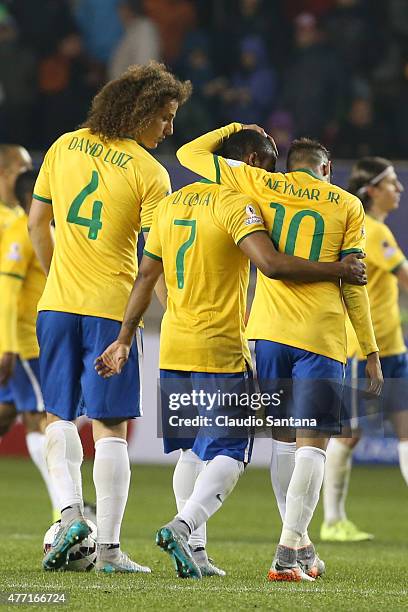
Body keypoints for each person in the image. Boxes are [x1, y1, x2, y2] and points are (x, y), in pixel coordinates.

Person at [95, 128, 367, 579]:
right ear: (254, 162)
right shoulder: (234, 204)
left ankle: (197, 553)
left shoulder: (170, 205)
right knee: (231, 451)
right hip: (219, 345)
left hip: (175, 345)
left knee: (189, 452)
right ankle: (184, 527)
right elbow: (272, 264)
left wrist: (125, 337)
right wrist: (338, 269)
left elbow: (145, 277)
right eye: (269, 164)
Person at [176, 124, 383, 581]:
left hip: (265, 336)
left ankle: (301, 545)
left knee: (285, 442)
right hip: (320, 336)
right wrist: (369, 347)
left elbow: (190, 153)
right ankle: (288, 551)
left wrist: (237, 129)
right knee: (314, 444)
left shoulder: (261, 183)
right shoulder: (347, 204)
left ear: (290, 167)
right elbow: (355, 282)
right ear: (327, 169)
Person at [28, 62, 192, 573]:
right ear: (141, 111)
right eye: (165, 118)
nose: (169, 129)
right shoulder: (149, 173)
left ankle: (71, 513)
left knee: (57, 415)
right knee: (110, 428)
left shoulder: (62, 145)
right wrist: (176, 311)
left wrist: (61, 277)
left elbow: (39, 222)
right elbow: (154, 262)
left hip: (56, 305)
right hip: (111, 312)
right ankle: (110, 549)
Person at [321, 157, 408, 542]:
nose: (399, 189)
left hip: (392, 348)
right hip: (364, 351)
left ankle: (334, 520)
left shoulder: (378, 230)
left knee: (406, 432)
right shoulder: (372, 231)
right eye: (391, 183)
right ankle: (332, 520)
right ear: (371, 190)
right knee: (347, 435)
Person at [0, 170, 61, 521]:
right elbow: (7, 294)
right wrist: (8, 347)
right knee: (40, 418)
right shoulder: (23, 231)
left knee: (7, 415)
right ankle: (62, 508)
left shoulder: (43, 230)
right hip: (24, 344)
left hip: (32, 341)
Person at [0, 144, 32, 436]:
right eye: (22, 170)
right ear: (4, 173)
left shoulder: (17, 219)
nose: (29, 176)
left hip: (18, 328)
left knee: (9, 412)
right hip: (12, 335)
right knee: (37, 413)